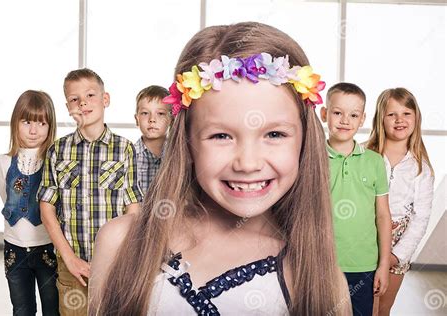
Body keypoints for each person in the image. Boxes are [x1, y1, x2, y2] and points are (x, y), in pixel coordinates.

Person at [89, 22, 351, 315]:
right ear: (187, 141)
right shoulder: (121, 243)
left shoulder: (320, 280)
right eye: (221, 136)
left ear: (305, 140)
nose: (248, 163)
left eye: (274, 134)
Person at [38, 68, 142, 315]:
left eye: (90, 95)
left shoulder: (124, 149)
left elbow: (134, 209)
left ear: (105, 99)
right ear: (68, 107)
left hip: (115, 263)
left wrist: (118, 255)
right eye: (75, 99)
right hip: (72, 265)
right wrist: (69, 258)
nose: (83, 102)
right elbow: (46, 208)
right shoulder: (57, 151)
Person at [320, 82, 391, 316]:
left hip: (364, 265)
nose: (344, 120)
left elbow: (382, 215)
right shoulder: (313, 157)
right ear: (324, 114)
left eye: (353, 115)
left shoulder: (374, 161)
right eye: (337, 112)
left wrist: (382, 265)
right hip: (322, 262)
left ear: (362, 119)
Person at [366, 88, 434, 316]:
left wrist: (395, 256)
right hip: (363, 239)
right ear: (380, 119)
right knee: (361, 305)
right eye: (391, 114)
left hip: (398, 244)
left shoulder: (421, 168)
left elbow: (420, 218)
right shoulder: (364, 156)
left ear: (416, 118)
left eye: (406, 113)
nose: (399, 120)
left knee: (382, 309)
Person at [0, 90, 58, 315]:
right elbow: (7, 197)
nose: (33, 130)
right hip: (15, 249)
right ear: (16, 123)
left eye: (41, 123)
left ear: (50, 126)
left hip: (48, 247)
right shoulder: (3, 162)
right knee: (22, 309)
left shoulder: (55, 160)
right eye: (27, 122)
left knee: (53, 308)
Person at [134, 85, 171, 195]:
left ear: (171, 119)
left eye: (160, 113)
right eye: (145, 113)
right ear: (137, 119)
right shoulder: (127, 157)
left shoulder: (178, 154)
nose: (152, 120)